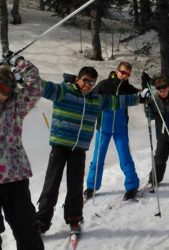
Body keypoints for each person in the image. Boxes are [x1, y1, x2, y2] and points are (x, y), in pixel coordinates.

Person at [36, 66, 147, 234]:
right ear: (78, 79)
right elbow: (40, 86)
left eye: (91, 82)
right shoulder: (63, 91)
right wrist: (21, 70)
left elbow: (118, 101)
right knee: (51, 185)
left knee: (75, 186)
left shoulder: (96, 99)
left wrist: (139, 98)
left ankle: (74, 219)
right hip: (60, 146)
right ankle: (41, 222)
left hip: (79, 149)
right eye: (85, 81)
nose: (88, 85)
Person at [0, 54, 44, 249]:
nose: (0, 93)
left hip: (14, 177)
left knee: (27, 230)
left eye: (3, 89)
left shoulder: (16, 105)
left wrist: (19, 62)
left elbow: (35, 86)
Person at [84, 62, 140, 201]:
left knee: (125, 157)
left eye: (128, 74)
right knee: (98, 158)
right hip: (104, 127)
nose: (124, 76)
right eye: (123, 72)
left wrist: (147, 87)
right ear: (117, 71)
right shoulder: (104, 84)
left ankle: (132, 186)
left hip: (120, 129)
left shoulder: (128, 88)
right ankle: (91, 187)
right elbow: (91, 98)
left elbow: (141, 96)